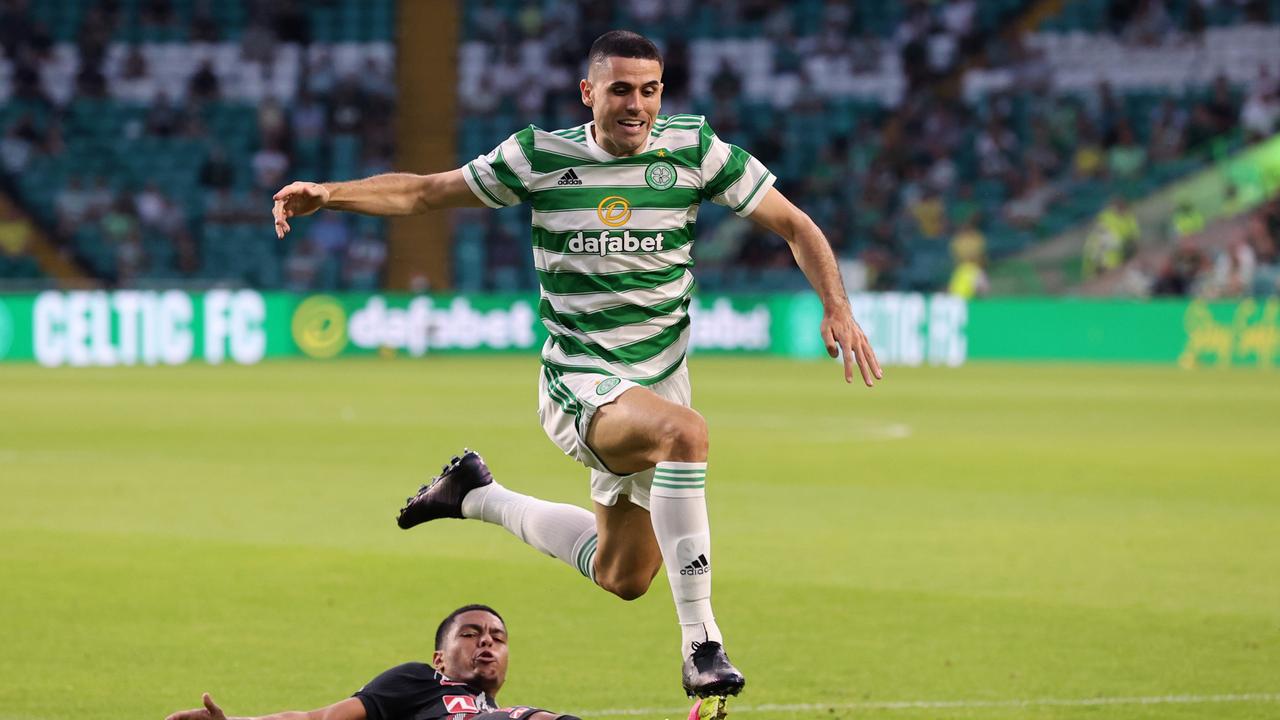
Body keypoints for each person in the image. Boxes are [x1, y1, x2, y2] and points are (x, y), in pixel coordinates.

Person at [271, 30, 882, 698]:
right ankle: (702, 644)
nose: (637, 105)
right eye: (621, 89)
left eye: (650, 90)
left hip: (658, 382)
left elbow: (795, 224)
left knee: (626, 576)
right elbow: (424, 193)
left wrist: (837, 306)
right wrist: (330, 193)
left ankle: (478, 494)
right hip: (580, 382)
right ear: (588, 92)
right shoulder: (539, 157)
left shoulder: (695, 151)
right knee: (688, 434)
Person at [164, 605, 576, 720]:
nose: (486, 641)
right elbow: (318, 719)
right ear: (438, 658)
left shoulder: (490, 708)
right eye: (470, 633)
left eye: (497, 638)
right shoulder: (420, 681)